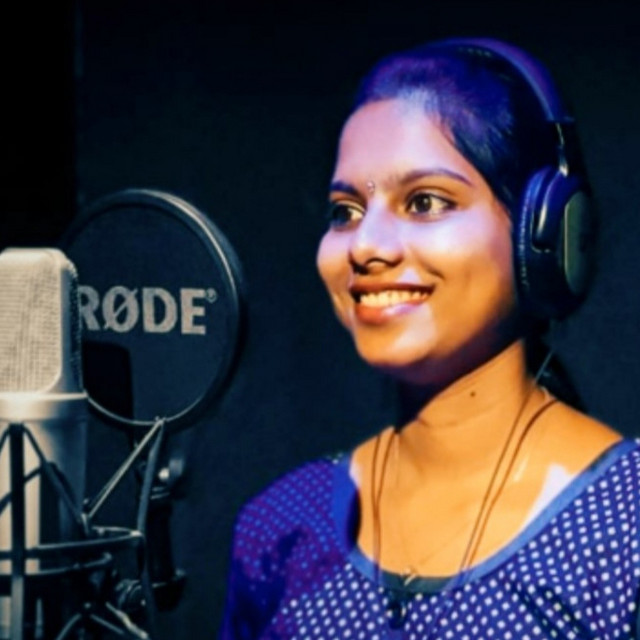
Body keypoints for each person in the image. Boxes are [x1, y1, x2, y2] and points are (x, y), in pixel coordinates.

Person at [220, 38, 640, 639]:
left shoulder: (625, 525)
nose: (366, 246)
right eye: (345, 212)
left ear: (543, 235)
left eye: (424, 202)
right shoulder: (281, 524)